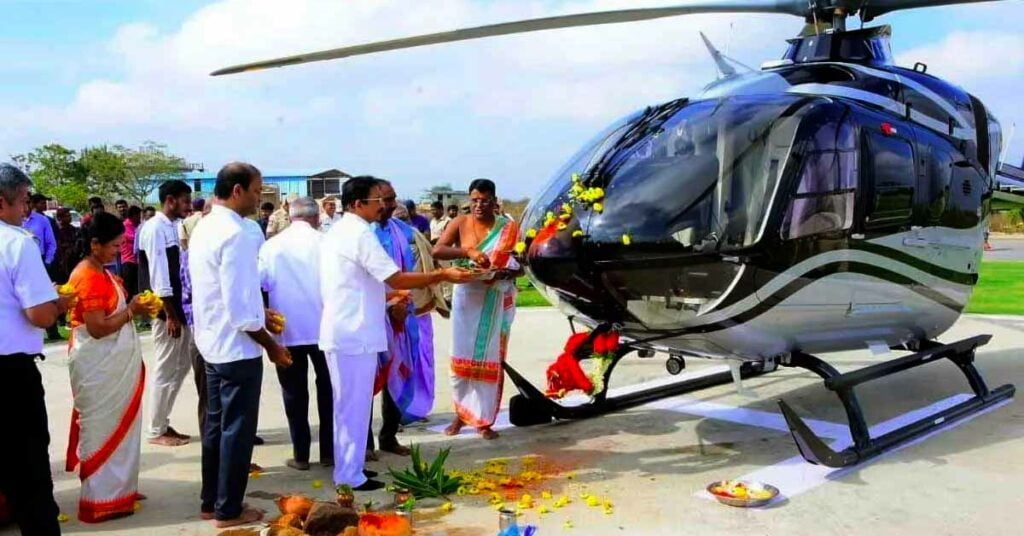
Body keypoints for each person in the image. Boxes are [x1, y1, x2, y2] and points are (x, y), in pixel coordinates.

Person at [319, 176, 473, 491]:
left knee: (351, 407)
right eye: (378, 200)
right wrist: (442, 274)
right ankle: (349, 475)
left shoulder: (343, 231)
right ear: (357, 203)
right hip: (353, 334)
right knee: (353, 408)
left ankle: (352, 469)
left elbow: (375, 283)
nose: (384, 206)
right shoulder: (359, 234)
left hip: (349, 331)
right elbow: (396, 278)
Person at [190, 162, 293, 528]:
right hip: (235, 347)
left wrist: (259, 310)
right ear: (237, 191)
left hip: (213, 342)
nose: (258, 198)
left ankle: (212, 501)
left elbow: (229, 294)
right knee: (237, 431)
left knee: (217, 428)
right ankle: (228, 509)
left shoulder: (206, 226)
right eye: (255, 191)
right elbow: (239, 311)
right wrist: (271, 345)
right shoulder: (235, 234)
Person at [64, 212, 154, 523]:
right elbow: (98, 328)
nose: (119, 251)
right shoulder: (87, 275)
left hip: (112, 364)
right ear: (95, 244)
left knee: (123, 426)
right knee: (102, 428)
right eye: (115, 245)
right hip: (98, 364)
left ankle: (120, 488)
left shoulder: (99, 270)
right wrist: (132, 310)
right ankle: (100, 497)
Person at [0, 163, 73, 535]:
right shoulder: (16, 243)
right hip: (9, 376)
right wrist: (58, 304)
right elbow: (40, 315)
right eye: (24, 201)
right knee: (28, 474)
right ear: (2, 202)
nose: (27, 209)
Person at [433, 179, 522, 440]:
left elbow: (521, 262)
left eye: (484, 200)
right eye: (474, 200)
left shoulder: (508, 227)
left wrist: (505, 271)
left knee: (490, 356)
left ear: (494, 201)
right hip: (467, 295)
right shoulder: (460, 222)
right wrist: (468, 252)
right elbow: (438, 249)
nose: (479, 205)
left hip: (495, 297)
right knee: (461, 355)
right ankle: (461, 414)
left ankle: (484, 419)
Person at [259, 197, 333, 471]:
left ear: (290, 217)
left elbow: (260, 284)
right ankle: (329, 452)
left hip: (286, 330)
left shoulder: (272, 246)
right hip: (325, 329)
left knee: (294, 393)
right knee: (329, 391)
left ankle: (301, 455)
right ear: (316, 218)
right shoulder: (327, 243)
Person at [137, 179, 193, 447]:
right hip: (165, 310)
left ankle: (163, 422)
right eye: (184, 200)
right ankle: (155, 429)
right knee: (166, 367)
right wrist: (170, 314)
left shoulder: (173, 226)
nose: (189, 205)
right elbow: (159, 276)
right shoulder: (155, 228)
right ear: (170, 200)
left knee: (180, 367)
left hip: (177, 306)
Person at [24, 193, 60, 340]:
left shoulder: (42, 220)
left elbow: (51, 243)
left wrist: (48, 261)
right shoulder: (13, 221)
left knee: (46, 296)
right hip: (22, 262)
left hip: (41, 261)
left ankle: (52, 331)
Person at [54, 207, 84, 285]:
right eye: (67, 216)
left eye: (69, 215)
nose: (69, 218)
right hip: (61, 266)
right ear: (59, 218)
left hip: (75, 263)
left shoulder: (75, 230)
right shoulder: (56, 232)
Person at [120, 206, 142, 301]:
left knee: (136, 286)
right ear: (133, 216)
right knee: (128, 286)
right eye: (138, 216)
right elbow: (134, 238)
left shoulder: (137, 226)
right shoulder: (125, 226)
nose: (140, 218)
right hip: (128, 260)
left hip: (137, 260)